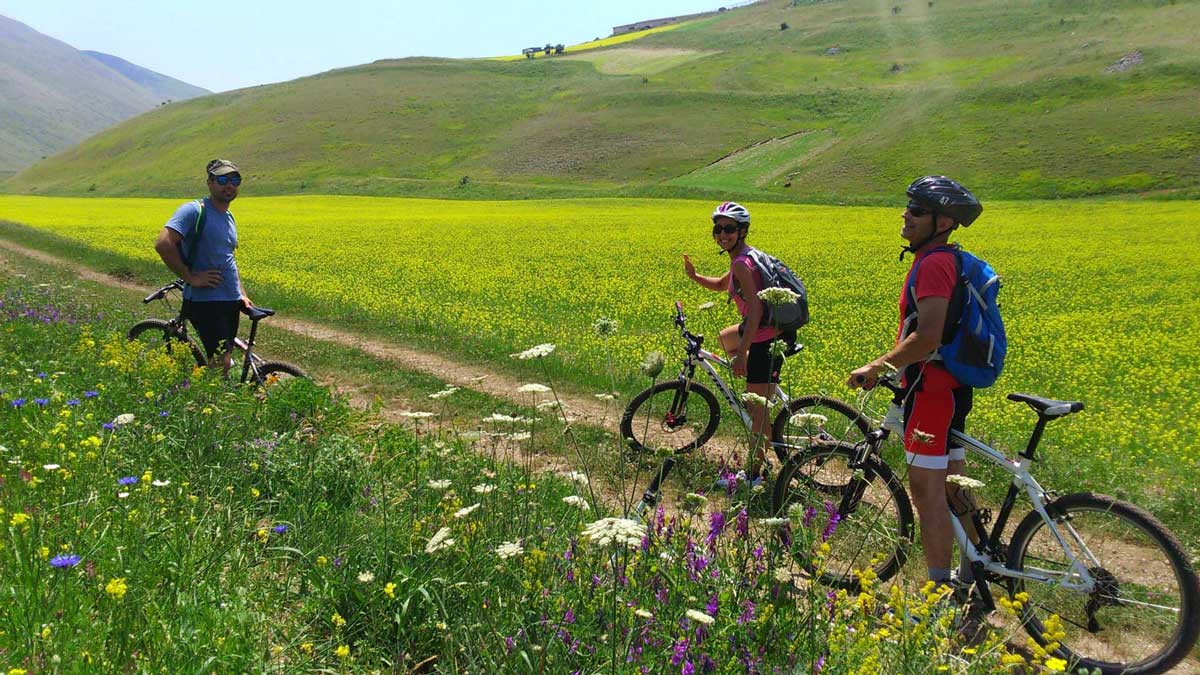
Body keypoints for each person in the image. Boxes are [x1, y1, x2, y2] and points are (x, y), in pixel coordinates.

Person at [847, 175, 984, 593]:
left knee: (928, 495)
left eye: (918, 210)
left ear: (942, 222)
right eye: (908, 206)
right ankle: (976, 570)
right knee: (954, 484)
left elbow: (927, 337)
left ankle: (941, 589)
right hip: (948, 388)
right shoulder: (946, 260)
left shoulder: (934, 265)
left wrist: (876, 367)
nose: (906, 215)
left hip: (930, 392)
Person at [683, 201, 784, 487]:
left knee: (757, 413)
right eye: (718, 229)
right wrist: (694, 276)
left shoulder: (742, 263)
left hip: (766, 337)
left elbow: (756, 310)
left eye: (729, 229)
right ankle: (761, 385)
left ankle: (753, 475)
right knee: (724, 338)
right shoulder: (742, 257)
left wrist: (741, 355)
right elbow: (720, 285)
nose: (722, 234)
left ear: (742, 231)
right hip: (764, 330)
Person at [153, 159, 252, 374]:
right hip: (205, 301)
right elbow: (163, 243)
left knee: (225, 358)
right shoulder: (194, 211)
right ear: (210, 183)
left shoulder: (228, 216)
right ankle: (210, 395)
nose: (229, 185)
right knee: (220, 362)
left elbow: (228, 259)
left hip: (229, 299)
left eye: (235, 180)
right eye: (222, 180)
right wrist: (190, 277)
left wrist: (241, 293)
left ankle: (218, 390)